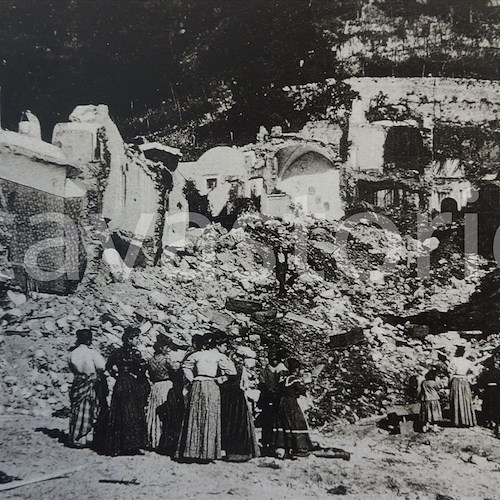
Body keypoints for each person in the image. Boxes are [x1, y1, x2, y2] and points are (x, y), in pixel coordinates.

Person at [175, 332, 236, 463]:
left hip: (199, 384)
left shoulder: (198, 355)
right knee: (209, 416)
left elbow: (185, 367)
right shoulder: (218, 356)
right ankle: (206, 452)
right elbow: (232, 371)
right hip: (210, 385)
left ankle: (193, 451)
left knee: (196, 415)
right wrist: (221, 379)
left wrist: (193, 379)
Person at [104, 326, 150, 455]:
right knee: (133, 412)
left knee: (119, 412)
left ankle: (117, 445)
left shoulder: (117, 352)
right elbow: (141, 369)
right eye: (136, 338)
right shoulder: (135, 353)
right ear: (129, 339)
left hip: (120, 383)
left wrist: (116, 375)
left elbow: (108, 367)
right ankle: (132, 444)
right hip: (131, 383)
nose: (137, 341)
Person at [219, 341, 260, 462]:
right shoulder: (239, 368)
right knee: (237, 423)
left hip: (229, 397)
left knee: (230, 423)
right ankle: (238, 451)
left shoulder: (228, 366)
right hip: (237, 397)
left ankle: (231, 450)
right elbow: (244, 385)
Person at [68, 329, 107, 448]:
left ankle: (75, 436)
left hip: (77, 383)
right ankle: (83, 436)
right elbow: (102, 367)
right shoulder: (92, 353)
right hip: (90, 383)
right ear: (89, 340)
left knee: (76, 409)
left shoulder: (72, 354)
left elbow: (71, 368)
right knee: (88, 409)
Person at [272, 357, 313, 459]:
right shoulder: (294, 380)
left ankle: (283, 445)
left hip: (281, 403)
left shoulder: (282, 380)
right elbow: (302, 390)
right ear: (296, 369)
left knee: (284, 422)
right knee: (296, 421)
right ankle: (298, 446)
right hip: (290, 403)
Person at [157, 338, 187, 457]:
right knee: (175, 418)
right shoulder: (170, 361)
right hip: (175, 391)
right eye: (167, 347)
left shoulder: (154, 359)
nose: (169, 350)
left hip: (167, 389)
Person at [146, 334, 175, 450]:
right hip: (166, 385)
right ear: (161, 347)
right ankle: (165, 440)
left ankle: (154, 439)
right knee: (167, 411)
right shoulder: (167, 359)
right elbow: (175, 369)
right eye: (167, 347)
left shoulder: (151, 360)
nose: (169, 350)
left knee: (154, 412)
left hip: (155, 386)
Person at [257, 351, 288, 455]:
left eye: (275, 359)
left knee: (278, 421)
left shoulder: (281, 369)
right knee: (267, 421)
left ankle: (277, 442)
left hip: (278, 398)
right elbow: (261, 384)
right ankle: (266, 442)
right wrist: (267, 390)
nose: (273, 361)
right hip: (267, 398)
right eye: (271, 359)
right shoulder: (265, 370)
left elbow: (283, 385)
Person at [448, 346, 477, 427]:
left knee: (456, 398)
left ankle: (456, 420)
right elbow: (474, 371)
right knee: (465, 399)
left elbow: (450, 371)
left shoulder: (454, 361)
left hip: (456, 379)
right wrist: (469, 377)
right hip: (464, 380)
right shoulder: (467, 362)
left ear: (457, 352)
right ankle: (466, 420)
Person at [476, 357, 500, 436]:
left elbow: (481, 381)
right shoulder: (498, 372)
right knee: (495, 406)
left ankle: (487, 421)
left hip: (488, 390)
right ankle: (494, 421)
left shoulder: (485, 373)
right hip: (496, 390)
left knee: (487, 405)